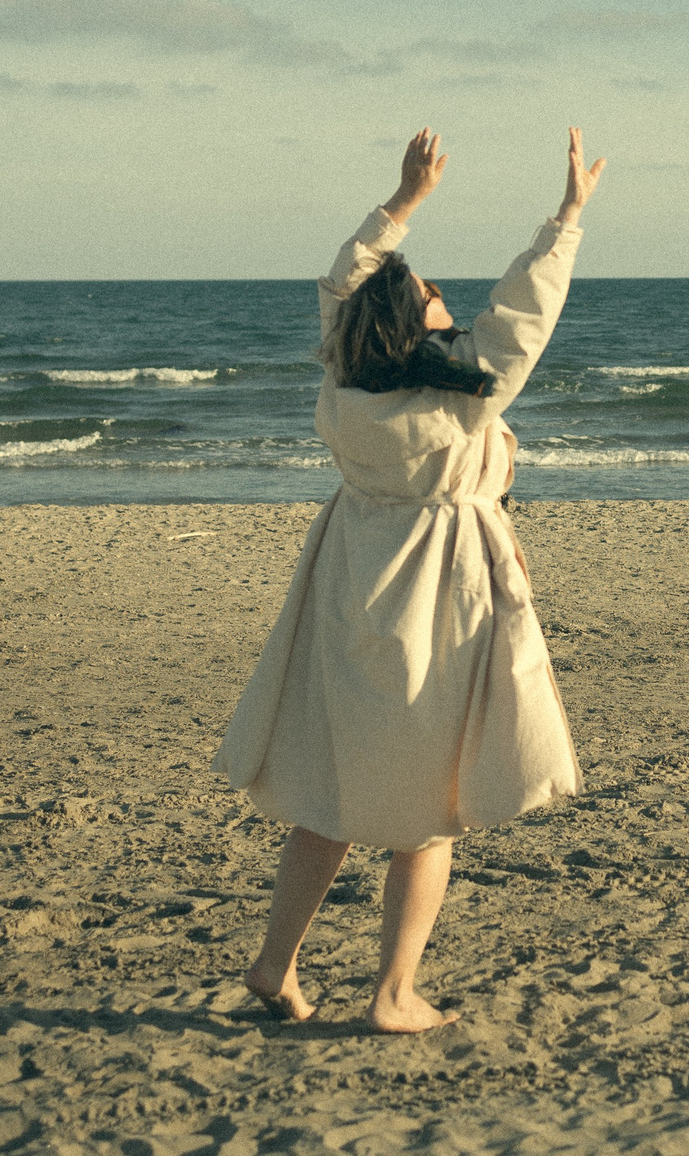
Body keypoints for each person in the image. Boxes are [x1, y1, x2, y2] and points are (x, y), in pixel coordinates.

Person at [215, 125, 605, 1033]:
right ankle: (392, 993)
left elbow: (343, 287)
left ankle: (277, 965)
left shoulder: (344, 388)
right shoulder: (464, 399)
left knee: (332, 796)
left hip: (351, 581)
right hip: (439, 597)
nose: (448, 310)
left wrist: (404, 202)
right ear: (414, 324)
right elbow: (525, 314)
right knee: (431, 805)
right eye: (435, 301)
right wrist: (568, 219)